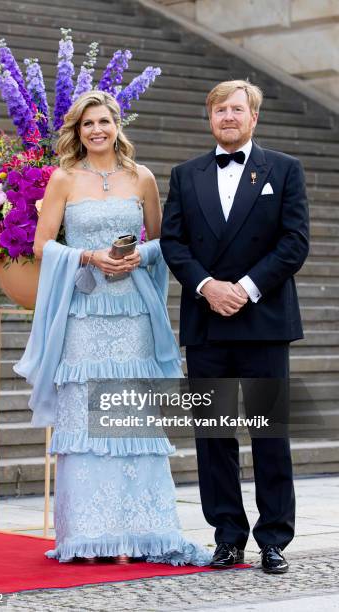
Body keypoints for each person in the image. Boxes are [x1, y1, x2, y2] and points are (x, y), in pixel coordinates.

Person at [14, 91, 211, 566]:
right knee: (85, 413)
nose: (96, 130)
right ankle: (87, 533)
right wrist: (88, 255)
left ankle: (145, 529)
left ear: (117, 124)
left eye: (103, 121)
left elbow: (165, 241)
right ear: (77, 131)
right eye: (87, 124)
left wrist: (135, 255)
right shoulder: (62, 179)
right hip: (84, 312)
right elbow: (42, 245)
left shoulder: (141, 178)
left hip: (133, 314)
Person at [160, 80, 309, 574]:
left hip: (263, 321)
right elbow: (173, 243)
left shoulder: (284, 170)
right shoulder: (185, 175)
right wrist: (208, 286)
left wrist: (243, 288)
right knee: (214, 436)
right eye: (220, 109)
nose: (228, 116)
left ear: (253, 118)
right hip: (207, 321)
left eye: (237, 109)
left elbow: (294, 243)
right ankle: (227, 536)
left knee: (270, 434)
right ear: (210, 118)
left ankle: (274, 539)